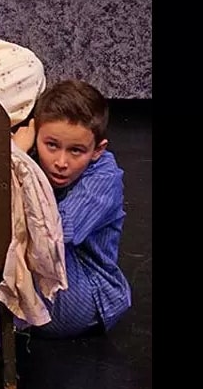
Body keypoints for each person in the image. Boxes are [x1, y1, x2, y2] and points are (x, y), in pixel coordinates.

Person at [13, 79, 130, 338]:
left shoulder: (104, 177)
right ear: (35, 137)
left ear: (97, 150)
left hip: (87, 293)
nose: (61, 162)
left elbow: (53, 234)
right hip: (52, 278)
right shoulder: (33, 159)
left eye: (76, 150)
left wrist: (15, 155)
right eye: (51, 145)